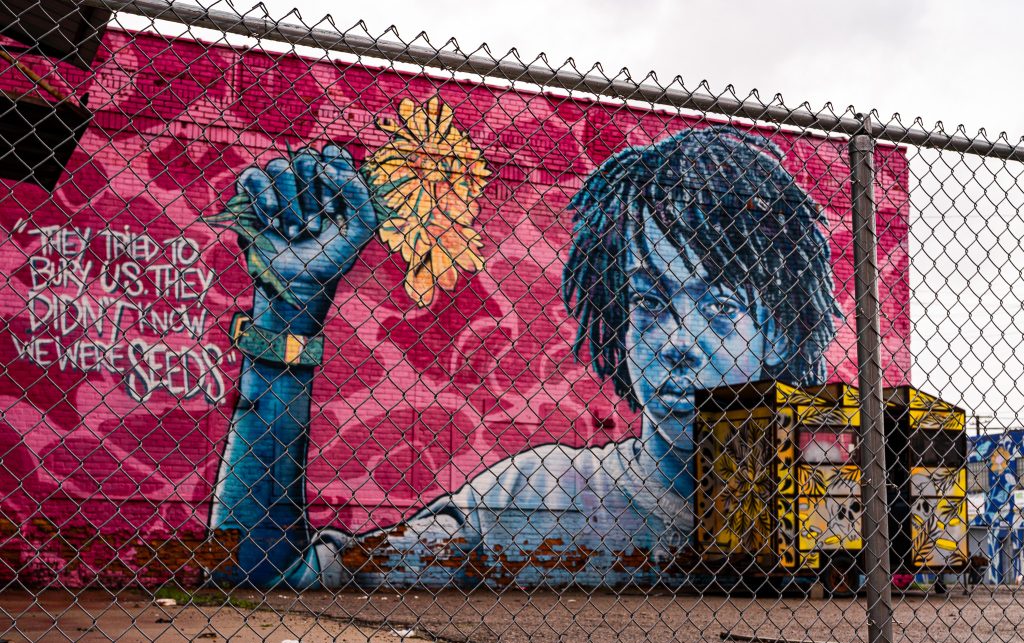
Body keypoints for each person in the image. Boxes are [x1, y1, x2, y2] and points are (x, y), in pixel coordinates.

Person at [206, 126, 839, 589]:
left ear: (780, 334)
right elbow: (272, 578)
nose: (675, 340)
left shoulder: (836, 497)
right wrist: (288, 317)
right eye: (650, 300)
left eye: (720, 309)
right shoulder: (537, 497)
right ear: (616, 319)